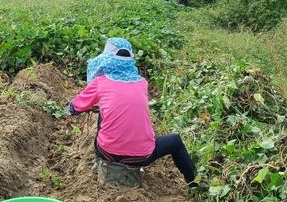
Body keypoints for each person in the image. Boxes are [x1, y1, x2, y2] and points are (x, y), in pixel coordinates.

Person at [66, 38, 200, 192]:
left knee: (104, 117)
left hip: (107, 153)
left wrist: (71, 109)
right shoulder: (142, 83)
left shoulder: (100, 82)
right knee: (175, 141)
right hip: (142, 157)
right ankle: (193, 184)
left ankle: (99, 164)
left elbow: (74, 108)